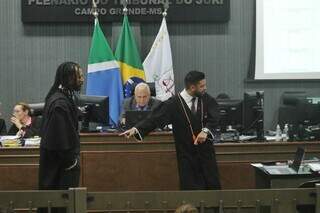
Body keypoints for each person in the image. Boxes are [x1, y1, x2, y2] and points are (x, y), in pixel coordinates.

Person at [120, 70, 221, 190]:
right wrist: (137, 129)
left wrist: (205, 131)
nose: (205, 88)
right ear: (192, 87)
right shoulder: (173, 104)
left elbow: (215, 118)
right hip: (186, 155)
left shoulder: (207, 100)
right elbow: (154, 118)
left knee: (212, 189)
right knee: (191, 190)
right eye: (202, 86)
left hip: (206, 154)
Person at [38, 62, 84, 213]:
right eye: (79, 76)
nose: (82, 79)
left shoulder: (62, 97)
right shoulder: (59, 104)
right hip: (59, 171)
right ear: (69, 78)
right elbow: (59, 142)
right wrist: (72, 161)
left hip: (58, 167)